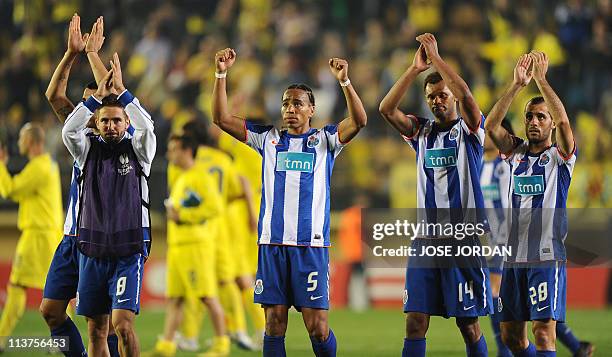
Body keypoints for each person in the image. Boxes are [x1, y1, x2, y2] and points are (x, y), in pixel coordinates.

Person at [212, 47, 367, 357]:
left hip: (311, 247)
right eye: (286, 103)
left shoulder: (325, 140)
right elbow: (220, 118)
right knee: (274, 323)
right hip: (272, 245)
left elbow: (359, 120)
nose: (290, 109)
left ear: (312, 109)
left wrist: (345, 82)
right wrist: (221, 74)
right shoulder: (266, 138)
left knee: (318, 326)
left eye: (298, 103)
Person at [379, 33, 492, 357]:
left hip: (463, 239)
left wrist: (438, 60)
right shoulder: (421, 132)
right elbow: (386, 109)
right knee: (415, 321)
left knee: (467, 325)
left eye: (442, 95)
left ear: (451, 97)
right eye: (431, 97)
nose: (436, 101)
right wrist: (414, 70)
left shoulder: (470, 131)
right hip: (426, 240)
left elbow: (468, 97)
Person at [485, 52, 590, 357]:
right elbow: (490, 126)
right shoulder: (515, 152)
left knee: (543, 332)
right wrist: (517, 85)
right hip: (513, 259)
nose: (533, 121)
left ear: (550, 125)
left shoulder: (561, 158)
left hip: (546, 257)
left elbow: (565, 122)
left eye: (541, 117)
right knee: (511, 337)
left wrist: (542, 81)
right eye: (529, 116)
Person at [62, 52, 155, 357]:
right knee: (96, 331)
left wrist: (124, 94)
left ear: (126, 122)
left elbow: (148, 127)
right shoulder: (86, 149)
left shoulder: (140, 150)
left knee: (123, 326)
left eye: (117, 120)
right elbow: (68, 131)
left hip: (128, 250)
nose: (111, 126)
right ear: (97, 124)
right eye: (105, 121)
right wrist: (94, 100)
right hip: (92, 250)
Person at [40, 13, 122, 357]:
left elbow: (117, 94)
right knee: (50, 311)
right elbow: (54, 96)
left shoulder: (121, 139)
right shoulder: (80, 138)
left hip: (100, 239)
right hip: (70, 237)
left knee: (100, 325)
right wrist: (72, 53)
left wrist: (95, 59)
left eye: (99, 99)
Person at [173, 121, 258, 352]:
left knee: (198, 284)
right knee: (229, 280)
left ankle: (191, 336)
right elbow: (238, 187)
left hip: (198, 229)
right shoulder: (222, 159)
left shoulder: (187, 162)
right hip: (223, 227)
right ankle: (240, 329)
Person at [150, 134, 229, 357]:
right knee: (175, 298)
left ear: (187, 151)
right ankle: (166, 345)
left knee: (207, 296)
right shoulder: (182, 178)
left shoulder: (201, 177)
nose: (169, 154)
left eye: (173, 149)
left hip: (195, 245)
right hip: (178, 246)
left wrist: (183, 215)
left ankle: (221, 344)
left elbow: (215, 208)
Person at [0, 123, 63, 351]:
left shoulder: (38, 167)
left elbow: (10, 190)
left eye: (21, 137)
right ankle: (61, 340)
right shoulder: (48, 164)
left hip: (38, 236)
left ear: (31, 141)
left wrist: (0, 165)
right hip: (49, 233)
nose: (18, 142)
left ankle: (1, 337)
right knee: (58, 288)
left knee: (17, 286)